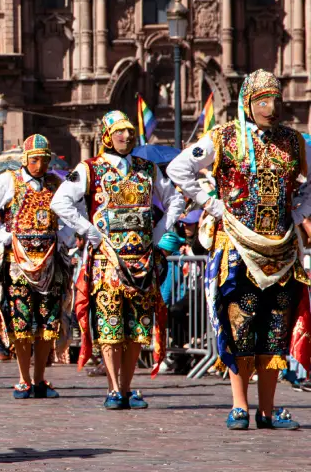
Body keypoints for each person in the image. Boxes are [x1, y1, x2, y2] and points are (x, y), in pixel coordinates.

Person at [167, 68, 311, 430]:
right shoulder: (223, 137)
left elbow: (310, 183)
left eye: (275, 100)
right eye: (262, 101)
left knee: (274, 331)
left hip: (281, 250)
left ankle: (267, 410)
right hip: (238, 248)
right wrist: (212, 204)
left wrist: (299, 212)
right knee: (240, 326)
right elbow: (179, 168)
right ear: (248, 103)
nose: (271, 108)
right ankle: (239, 406)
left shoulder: (294, 141)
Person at [51, 110, 183, 410]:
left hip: (142, 260)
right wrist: (89, 231)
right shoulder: (90, 169)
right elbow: (59, 201)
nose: (126, 136)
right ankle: (112, 388)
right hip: (107, 260)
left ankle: (126, 387)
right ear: (107, 136)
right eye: (120, 131)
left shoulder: (147, 168)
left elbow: (175, 198)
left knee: (138, 328)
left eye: (129, 131)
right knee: (111, 325)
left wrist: (160, 230)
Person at [0, 134, 65, 399]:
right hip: (17, 265)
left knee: (48, 322)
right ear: (25, 159)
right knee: (21, 322)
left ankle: (40, 378)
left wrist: (65, 238)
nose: (40, 166)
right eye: (35, 160)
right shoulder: (9, 181)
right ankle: (23, 377)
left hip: (49, 264)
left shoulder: (56, 184)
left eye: (44, 160)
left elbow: (71, 212)